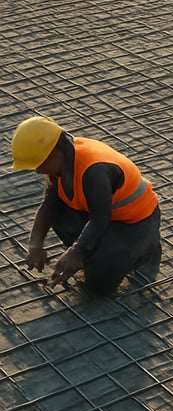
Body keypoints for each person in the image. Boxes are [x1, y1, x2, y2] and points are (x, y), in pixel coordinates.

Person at [11, 115, 161, 294]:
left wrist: (77, 252)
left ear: (55, 152)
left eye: (39, 163)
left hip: (136, 223)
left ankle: (145, 248)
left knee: (98, 288)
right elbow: (48, 205)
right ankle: (102, 256)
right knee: (58, 213)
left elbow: (100, 220)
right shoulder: (62, 164)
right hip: (105, 216)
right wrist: (35, 246)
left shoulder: (94, 172)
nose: (37, 170)